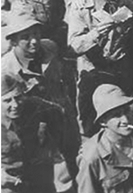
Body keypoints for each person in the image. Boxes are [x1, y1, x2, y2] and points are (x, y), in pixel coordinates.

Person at [67, 0, 133, 136]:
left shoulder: (128, 4)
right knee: (89, 125)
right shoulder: (81, 7)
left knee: (124, 122)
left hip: (120, 69)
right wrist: (96, 33)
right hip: (92, 71)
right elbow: (73, 47)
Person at [2, 13, 79, 184]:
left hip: (62, 114)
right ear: (13, 41)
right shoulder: (6, 70)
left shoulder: (49, 47)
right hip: (33, 126)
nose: (34, 41)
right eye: (25, 37)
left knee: (73, 156)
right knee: (43, 174)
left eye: (36, 34)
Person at [76, 84, 133, 192]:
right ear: (103, 121)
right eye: (116, 115)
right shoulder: (91, 158)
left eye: (126, 111)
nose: (125, 120)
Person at [2, 72, 66, 193]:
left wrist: (54, 146)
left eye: (18, 97)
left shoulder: (33, 105)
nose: (15, 105)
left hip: (39, 175)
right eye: (7, 101)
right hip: (9, 182)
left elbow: (59, 113)